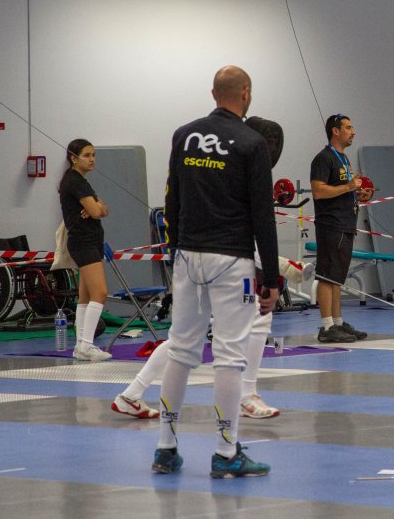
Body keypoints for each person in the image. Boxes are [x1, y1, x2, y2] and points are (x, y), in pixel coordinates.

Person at [114, 116, 291, 421]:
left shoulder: (210, 154)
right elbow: (252, 225)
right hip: (224, 263)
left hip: (195, 259)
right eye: (269, 144)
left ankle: (132, 394)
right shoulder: (241, 164)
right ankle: (246, 396)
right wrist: (274, 273)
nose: (271, 150)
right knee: (255, 319)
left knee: (184, 339)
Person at [152, 65, 278, 479]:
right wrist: (271, 278)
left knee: (180, 350)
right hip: (232, 260)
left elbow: (172, 199)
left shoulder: (184, 134)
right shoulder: (252, 143)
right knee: (230, 356)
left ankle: (165, 449)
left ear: (213, 93)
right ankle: (226, 453)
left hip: (188, 256)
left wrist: (176, 251)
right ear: (246, 93)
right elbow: (263, 215)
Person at [310, 113, 373, 343]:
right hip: (331, 225)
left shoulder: (343, 159)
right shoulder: (323, 158)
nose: (353, 132)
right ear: (335, 131)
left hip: (346, 224)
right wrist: (348, 187)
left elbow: (343, 189)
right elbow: (318, 191)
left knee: (337, 277)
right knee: (327, 276)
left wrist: (358, 193)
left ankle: (337, 322)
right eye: (348, 127)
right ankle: (327, 327)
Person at [58, 139, 112, 362]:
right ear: (74, 158)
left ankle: (80, 344)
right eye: (87, 155)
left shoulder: (80, 181)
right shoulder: (74, 181)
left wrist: (97, 207)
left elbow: (103, 209)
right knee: (100, 293)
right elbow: (97, 211)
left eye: (93, 155)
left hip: (90, 242)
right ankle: (87, 345)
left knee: (86, 295)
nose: (92, 159)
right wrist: (96, 207)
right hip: (84, 242)